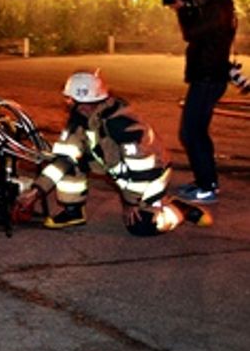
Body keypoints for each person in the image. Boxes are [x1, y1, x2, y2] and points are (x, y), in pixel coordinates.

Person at [15, 70, 212, 236]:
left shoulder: (122, 124)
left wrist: (130, 202)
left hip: (152, 174)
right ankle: (73, 210)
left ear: (83, 103)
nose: (66, 103)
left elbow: (143, 169)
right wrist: (36, 191)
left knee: (141, 226)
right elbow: (63, 160)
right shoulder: (81, 120)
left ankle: (178, 209)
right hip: (120, 170)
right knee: (70, 161)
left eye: (69, 99)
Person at [170, 0, 236, 204]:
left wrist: (183, 10)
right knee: (195, 132)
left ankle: (207, 186)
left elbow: (191, 33)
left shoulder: (216, 10)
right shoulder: (218, 7)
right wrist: (188, 8)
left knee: (192, 132)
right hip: (207, 77)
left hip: (208, 78)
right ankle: (204, 182)